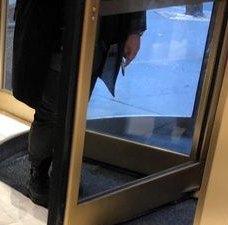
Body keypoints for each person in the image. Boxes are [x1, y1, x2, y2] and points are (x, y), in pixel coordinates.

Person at [12, 2, 146, 206]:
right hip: (55, 31)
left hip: (97, 32)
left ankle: (63, 168)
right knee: (51, 111)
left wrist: (134, 30)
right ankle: (39, 170)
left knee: (76, 108)